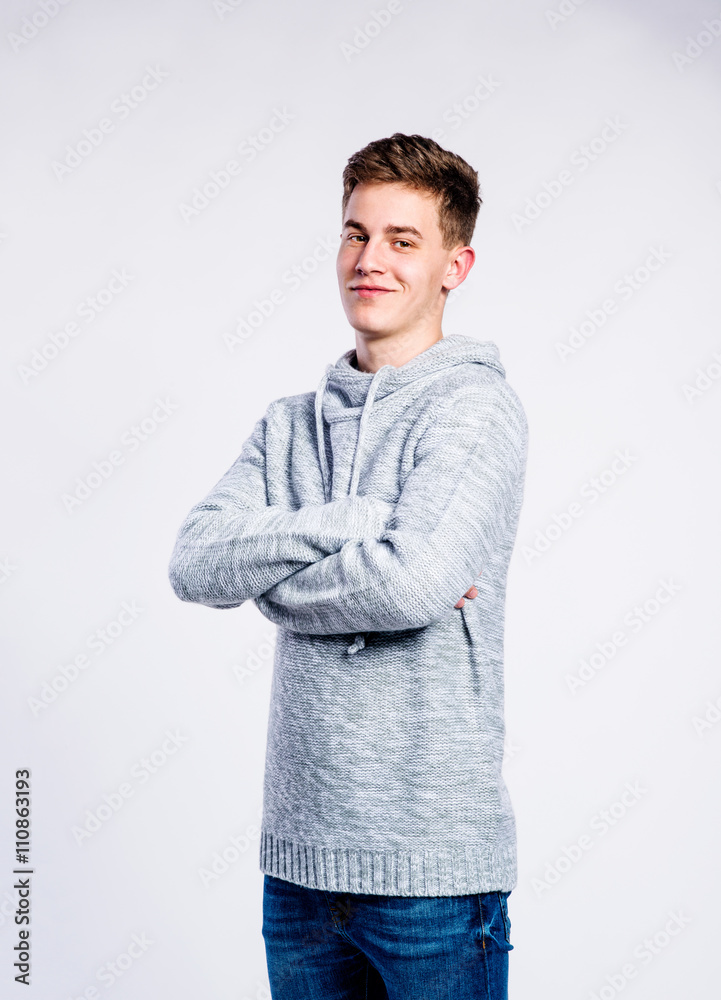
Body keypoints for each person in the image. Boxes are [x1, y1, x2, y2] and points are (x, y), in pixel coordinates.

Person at [168, 132, 528, 1000]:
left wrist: (271, 581)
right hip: (296, 867)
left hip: (433, 875)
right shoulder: (288, 424)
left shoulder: (475, 411)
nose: (370, 260)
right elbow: (194, 563)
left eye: (403, 240)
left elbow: (407, 585)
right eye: (355, 233)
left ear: (455, 264)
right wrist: (358, 523)